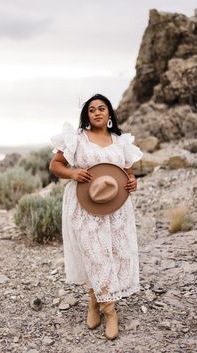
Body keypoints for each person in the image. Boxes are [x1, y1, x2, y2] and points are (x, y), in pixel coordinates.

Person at [49, 93, 143, 340]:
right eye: (92, 110)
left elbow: (128, 174)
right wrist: (73, 173)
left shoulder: (121, 141)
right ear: (87, 115)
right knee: (95, 254)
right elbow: (55, 165)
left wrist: (133, 183)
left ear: (109, 113)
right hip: (84, 207)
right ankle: (110, 311)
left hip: (116, 208)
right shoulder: (77, 138)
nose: (98, 112)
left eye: (102, 108)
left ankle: (95, 300)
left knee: (112, 254)